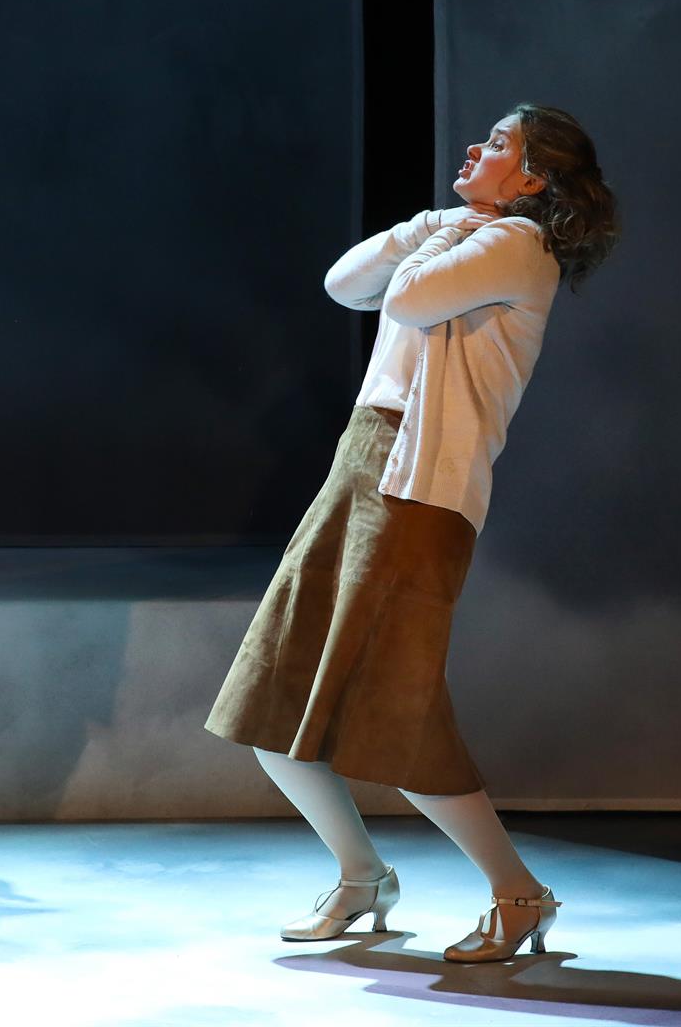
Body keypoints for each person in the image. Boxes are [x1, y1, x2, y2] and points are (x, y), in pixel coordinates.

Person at [206, 104, 618, 962]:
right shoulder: (463, 235)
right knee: (273, 697)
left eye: (497, 145)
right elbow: (345, 283)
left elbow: (406, 295)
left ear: (533, 179)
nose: (473, 148)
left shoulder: (517, 245)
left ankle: (518, 894)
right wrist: (429, 223)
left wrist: (440, 234)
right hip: (362, 465)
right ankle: (362, 877)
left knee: (397, 712)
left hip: (422, 489)